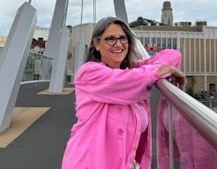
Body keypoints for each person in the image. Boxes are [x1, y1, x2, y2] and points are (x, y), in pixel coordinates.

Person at [62, 16, 186, 169]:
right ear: (96, 44)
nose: (118, 44)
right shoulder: (89, 74)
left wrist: (159, 69)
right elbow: (137, 78)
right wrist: (159, 70)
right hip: (89, 162)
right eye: (110, 39)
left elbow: (173, 55)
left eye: (123, 38)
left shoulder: (132, 73)